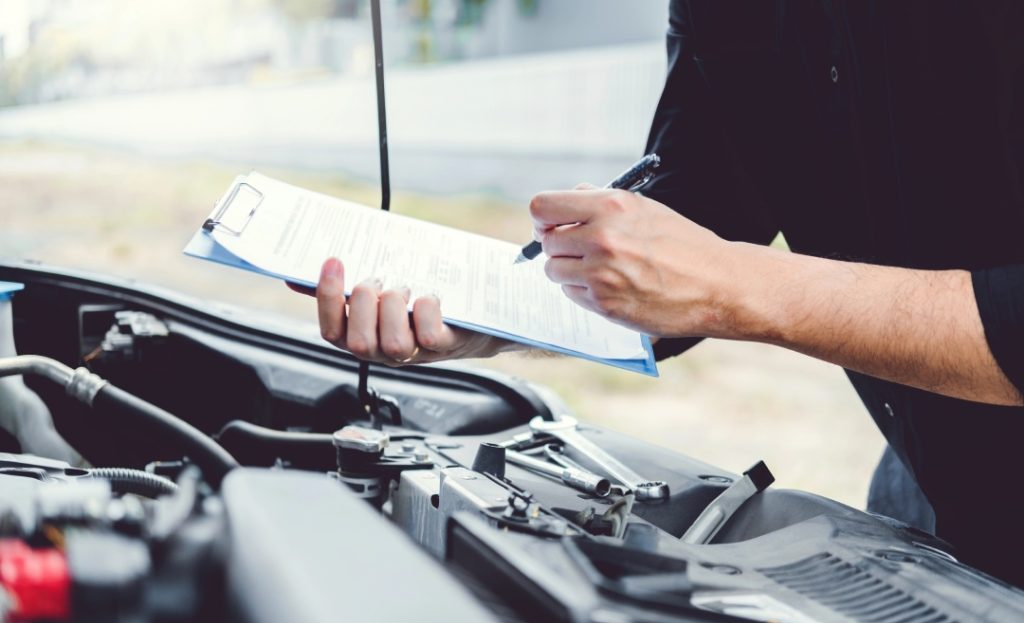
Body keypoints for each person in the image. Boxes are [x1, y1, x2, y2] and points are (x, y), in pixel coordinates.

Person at [297, 2, 1024, 586]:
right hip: (931, 478)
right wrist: (481, 310)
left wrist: (733, 284)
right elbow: (691, 216)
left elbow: (707, 270)